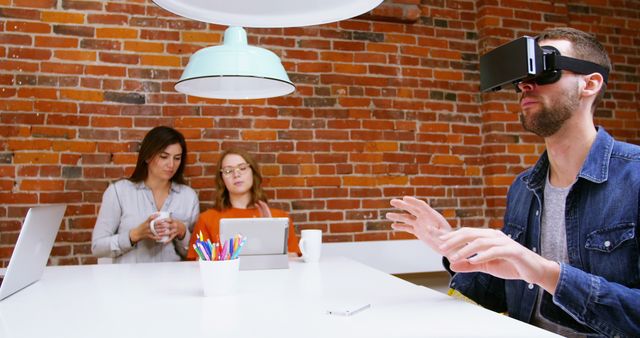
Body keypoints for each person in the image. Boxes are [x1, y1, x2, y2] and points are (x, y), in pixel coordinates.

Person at [386, 27, 639, 337]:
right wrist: (453, 247)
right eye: (521, 77)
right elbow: (495, 293)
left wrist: (546, 272)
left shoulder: (634, 179)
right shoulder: (523, 188)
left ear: (590, 83)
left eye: (545, 70)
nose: (525, 85)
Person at [92, 126, 199, 263]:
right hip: (130, 281)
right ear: (148, 156)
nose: (171, 164)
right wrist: (134, 235)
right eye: (164, 156)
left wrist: (182, 233)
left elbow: (196, 253)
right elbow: (97, 247)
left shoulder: (188, 197)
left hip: (173, 280)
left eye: (177, 158)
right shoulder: (119, 192)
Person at [187, 148, 298, 260]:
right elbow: (198, 265)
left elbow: (293, 261)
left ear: (253, 172)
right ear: (222, 179)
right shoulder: (206, 219)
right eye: (228, 171)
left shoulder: (280, 218)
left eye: (242, 168)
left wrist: (269, 230)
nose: (236, 174)